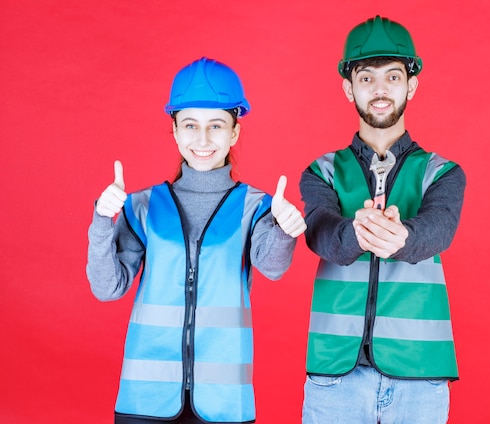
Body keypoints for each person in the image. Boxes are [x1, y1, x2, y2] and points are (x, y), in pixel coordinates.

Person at [87, 57, 306, 424]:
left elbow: (272, 268)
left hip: (224, 401)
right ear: (174, 130)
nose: (202, 140)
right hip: (145, 399)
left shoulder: (255, 207)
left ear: (234, 132)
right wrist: (100, 221)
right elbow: (107, 288)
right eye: (190, 125)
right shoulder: (142, 206)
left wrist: (285, 228)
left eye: (216, 125)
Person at [299, 16, 466, 424]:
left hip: (420, 375)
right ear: (348, 87)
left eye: (393, 77)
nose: (379, 90)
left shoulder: (443, 172)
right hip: (334, 376)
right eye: (367, 77)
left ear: (411, 85)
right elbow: (321, 235)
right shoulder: (320, 172)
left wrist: (403, 237)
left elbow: (437, 230)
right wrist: (355, 232)